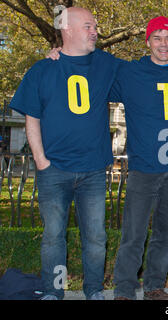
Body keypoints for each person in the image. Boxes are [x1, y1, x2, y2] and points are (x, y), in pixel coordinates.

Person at [9, 7, 120, 300]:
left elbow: (144, 72)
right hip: (54, 170)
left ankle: (94, 291)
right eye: (88, 26)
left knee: (95, 238)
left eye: (95, 26)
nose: (95, 31)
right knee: (53, 238)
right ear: (67, 29)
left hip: (94, 170)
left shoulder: (106, 64)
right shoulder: (43, 69)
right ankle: (53, 291)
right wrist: (42, 162)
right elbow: (31, 119)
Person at [110, 16, 168, 300]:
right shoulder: (129, 72)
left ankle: (154, 286)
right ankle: (124, 289)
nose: (163, 44)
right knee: (134, 233)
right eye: (157, 38)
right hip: (143, 166)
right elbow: (91, 72)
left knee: (165, 234)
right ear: (147, 41)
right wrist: (57, 52)